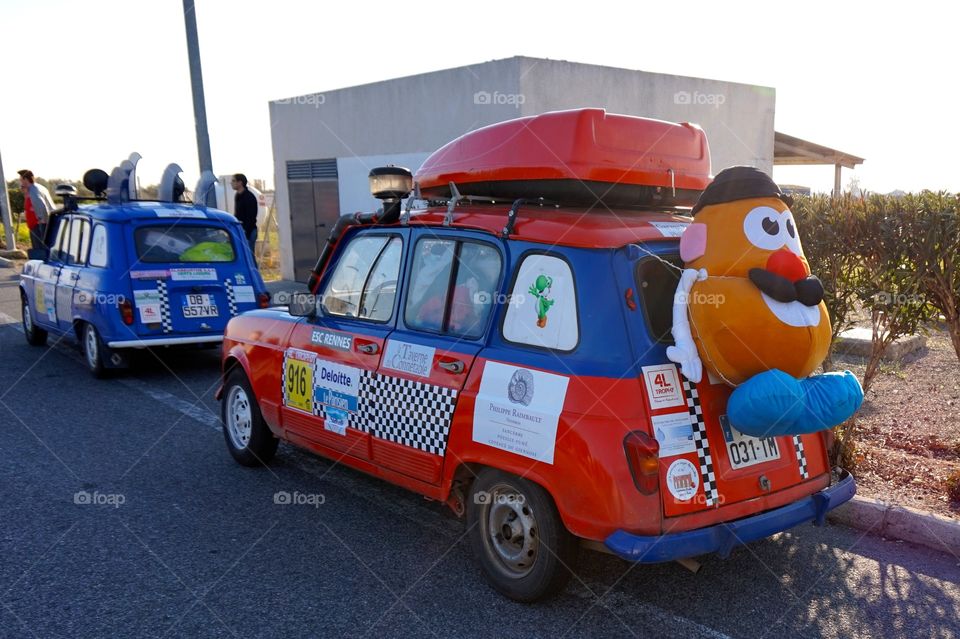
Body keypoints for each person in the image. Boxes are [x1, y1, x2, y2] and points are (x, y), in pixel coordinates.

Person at [18, 170, 55, 250]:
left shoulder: (34, 191)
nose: (20, 182)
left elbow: (41, 205)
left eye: (21, 180)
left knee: (39, 249)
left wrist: (41, 221)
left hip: (38, 225)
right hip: (37, 224)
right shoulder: (37, 188)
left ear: (26, 179)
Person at [231, 173, 258, 266]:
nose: (231, 183)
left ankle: (255, 277)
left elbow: (251, 217)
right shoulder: (237, 196)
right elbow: (237, 214)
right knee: (242, 257)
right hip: (241, 230)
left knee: (249, 256)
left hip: (249, 231)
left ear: (240, 182)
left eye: (233, 181)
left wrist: (245, 232)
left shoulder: (249, 197)